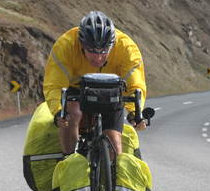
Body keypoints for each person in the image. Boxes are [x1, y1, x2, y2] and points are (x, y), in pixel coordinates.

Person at [43, 10, 147, 156]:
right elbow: (54, 84)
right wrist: (59, 111)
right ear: (81, 44)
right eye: (91, 50)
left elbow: (135, 85)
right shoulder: (66, 45)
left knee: (115, 147)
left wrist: (135, 112)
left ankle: (109, 174)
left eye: (104, 51)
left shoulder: (126, 48)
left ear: (112, 44)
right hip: (77, 90)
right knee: (72, 115)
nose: (98, 57)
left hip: (110, 92)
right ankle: (68, 160)